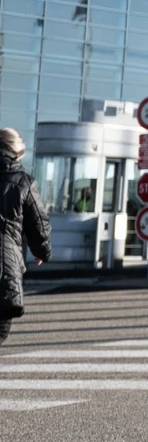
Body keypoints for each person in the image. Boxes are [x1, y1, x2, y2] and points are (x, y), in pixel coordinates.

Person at [0, 128, 51, 346]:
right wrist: (42, 252)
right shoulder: (24, 182)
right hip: (4, 266)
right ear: (17, 152)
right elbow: (39, 223)